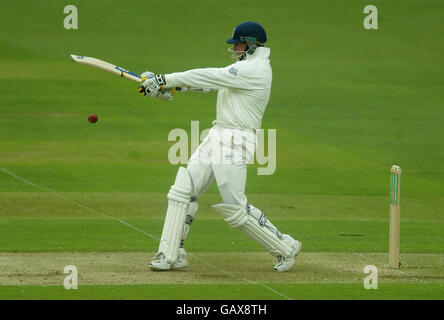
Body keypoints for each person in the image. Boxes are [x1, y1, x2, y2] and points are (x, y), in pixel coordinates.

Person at [138, 21, 302, 272]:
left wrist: (164, 79)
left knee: (235, 208)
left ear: (252, 44)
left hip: (236, 140)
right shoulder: (244, 66)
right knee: (183, 189)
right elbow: (212, 83)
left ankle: (286, 247)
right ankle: (171, 254)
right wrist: (171, 86)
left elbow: (212, 75)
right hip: (217, 133)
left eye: (238, 43)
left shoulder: (256, 69)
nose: (235, 48)